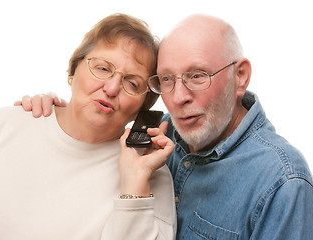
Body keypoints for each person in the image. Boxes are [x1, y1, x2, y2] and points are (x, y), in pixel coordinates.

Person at [20, 14, 313, 239]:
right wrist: (54, 112)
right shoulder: (153, 132)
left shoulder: (284, 182)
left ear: (241, 76)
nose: (179, 97)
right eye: (167, 79)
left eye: (198, 76)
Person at [0, 14, 177, 239]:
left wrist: (134, 183)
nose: (111, 88)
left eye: (132, 83)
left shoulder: (150, 173)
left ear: (142, 105)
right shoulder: (10, 121)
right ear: (73, 71)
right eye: (102, 68)